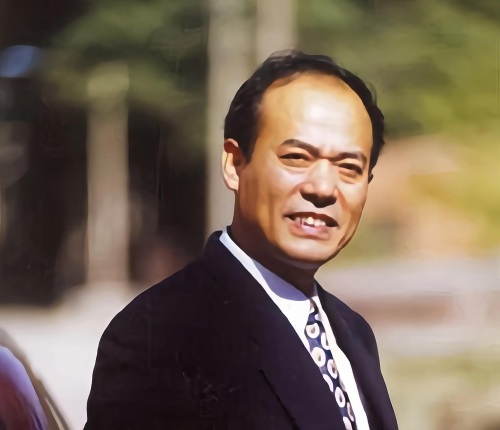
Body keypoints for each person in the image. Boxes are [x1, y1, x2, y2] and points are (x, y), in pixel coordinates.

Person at [85, 50, 398, 430]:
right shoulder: (160, 334)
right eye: (296, 157)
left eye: (349, 167)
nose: (323, 188)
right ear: (234, 164)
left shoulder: (353, 332)